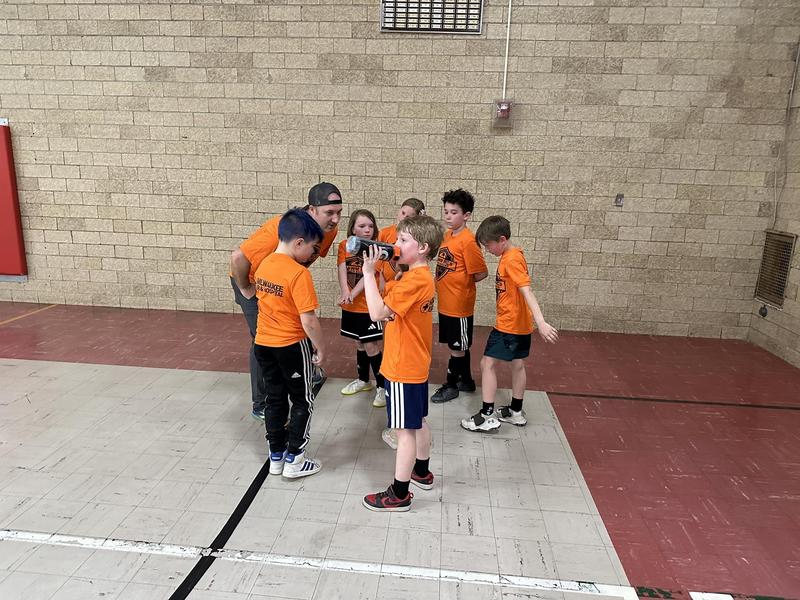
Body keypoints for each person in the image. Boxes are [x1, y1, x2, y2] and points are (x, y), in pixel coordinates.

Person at [230, 182, 342, 419]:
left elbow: (307, 258)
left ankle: (303, 370)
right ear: (312, 210)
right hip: (251, 280)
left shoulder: (329, 231)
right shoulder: (279, 230)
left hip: (285, 280)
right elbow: (238, 257)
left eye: (339, 212)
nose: (335, 219)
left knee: (297, 324)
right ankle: (261, 402)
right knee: (263, 338)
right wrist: (246, 289)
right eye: (329, 213)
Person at [360, 215, 444, 511]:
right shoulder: (414, 276)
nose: (395, 244)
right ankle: (422, 471)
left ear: (422, 247)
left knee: (403, 431)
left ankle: (399, 494)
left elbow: (376, 313)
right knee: (418, 421)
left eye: (403, 240)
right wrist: (393, 271)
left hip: (402, 365)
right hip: (415, 362)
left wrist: (368, 273)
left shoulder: (415, 280)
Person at [461, 215, 558, 433]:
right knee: (517, 365)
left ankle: (487, 415)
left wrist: (541, 321)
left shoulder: (511, 259)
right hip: (520, 325)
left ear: (502, 239)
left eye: (488, 245)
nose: (487, 250)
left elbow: (527, 291)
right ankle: (515, 412)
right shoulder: (513, 255)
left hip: (509, 326)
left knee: (487, 364)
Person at [252, 209, 326, 478]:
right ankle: (295, 458)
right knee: (303, 400)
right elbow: (309, 321)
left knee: (274, 399)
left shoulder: (264, 265)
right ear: (298, 243)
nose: (312, 255)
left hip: (263, 344)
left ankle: (276, 456)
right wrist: (320, 347)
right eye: (312, 248)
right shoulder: (298, 274)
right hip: (291, 346)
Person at [430, 189, 488, 404]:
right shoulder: (448, 235)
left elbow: (481, 272)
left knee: (457, 347)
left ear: (466, 215)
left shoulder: (468, 241)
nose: (448, 216)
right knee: (458, 345)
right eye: (446, 212)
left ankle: (451, 384)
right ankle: (467, 380)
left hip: (459, 305)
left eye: (453, 212)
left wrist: (462, 284)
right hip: (445, 303)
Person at [337, 209, 387, 408]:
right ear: (353, 228)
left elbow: (370, 275)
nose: (367, 230)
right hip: (351, 306)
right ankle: (363, 380)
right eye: (362, 226)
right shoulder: (344, 245)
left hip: (369, 307)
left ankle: (383, 387)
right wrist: (344, 291)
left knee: (371, 346)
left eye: (370, 226)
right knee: (358, 343)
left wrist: (352, 294)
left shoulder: (376, 249)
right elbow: (342, 267)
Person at [378, 197, 426, 281]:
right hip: (384, 282)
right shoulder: (385, 233)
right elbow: (378, 259)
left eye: (408, 217)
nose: (403, 218)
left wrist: (422, 221)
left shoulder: (415, 237)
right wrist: (381, 277)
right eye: (403, 213)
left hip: (405, 281)